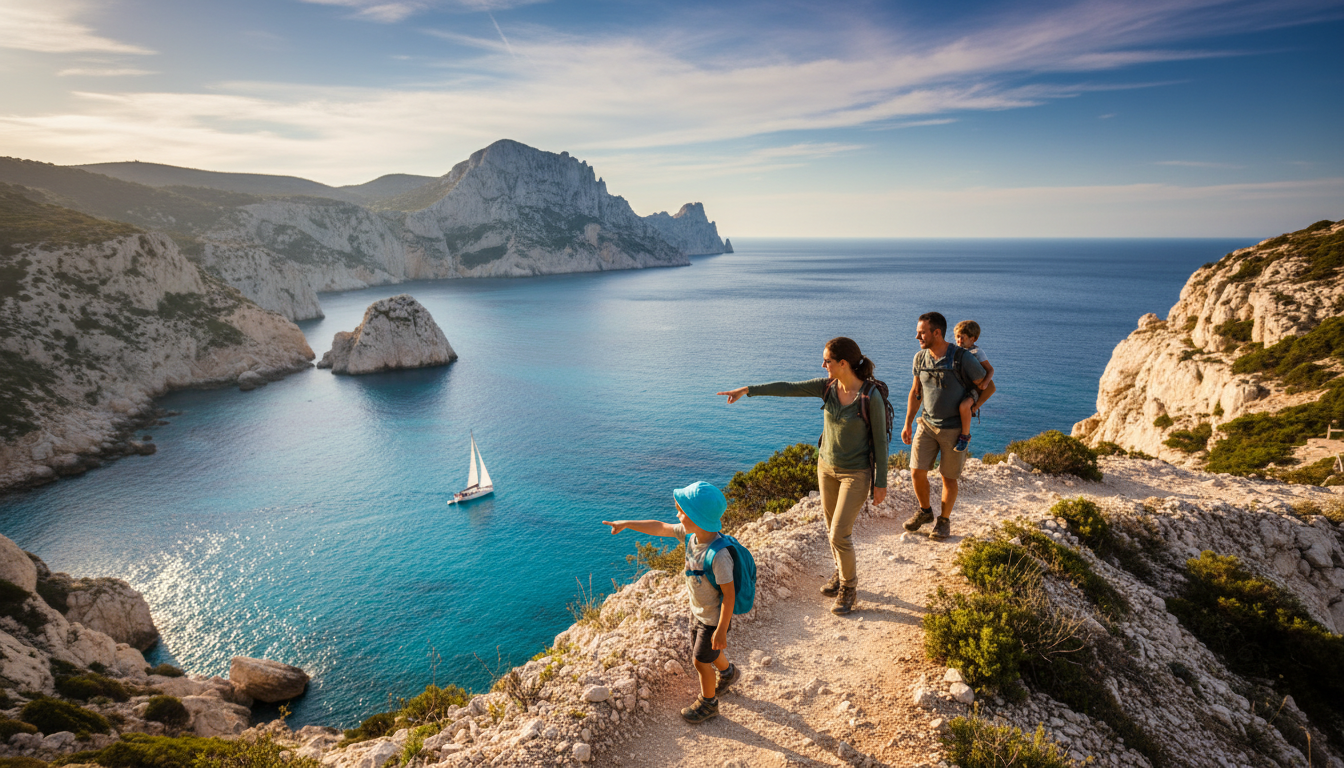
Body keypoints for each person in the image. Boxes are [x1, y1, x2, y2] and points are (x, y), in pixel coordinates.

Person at [716, 337, 888, 615]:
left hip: (855, 474)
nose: (823, 365)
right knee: (832, 530)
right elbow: (788, 388)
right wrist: (748, 390)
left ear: (843, 363)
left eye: (827, 361)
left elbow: (881, 442)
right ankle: (839, 574)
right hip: (826, 468)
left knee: (839, 534)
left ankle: (849, 587)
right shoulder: (828, 387)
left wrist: (881, 483)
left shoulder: (870, 397)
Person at [603, 481, 740, 724]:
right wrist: (626, 524)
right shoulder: (693, 536)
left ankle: (709, 704)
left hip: (713, 619)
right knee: (708, 652)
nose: (677, 515)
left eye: (682, 511)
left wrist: (720, 629)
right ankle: (728, 672)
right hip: (698, 613)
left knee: (699, 660)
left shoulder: (719, 556)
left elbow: (729, 596)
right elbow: (660, 528)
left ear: (697, 518)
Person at [901, 312, 986, 540]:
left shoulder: (962, 358)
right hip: (926, 424)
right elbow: (915, 392)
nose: (917, 336)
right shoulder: (920, 358)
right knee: (917, 472)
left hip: (954, 429)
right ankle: (925, 512)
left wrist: (973, 405)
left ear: (936, 333)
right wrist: (908, 423)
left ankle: (944, 521)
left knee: (948, 478)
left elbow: (988, 386)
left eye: (921, 332)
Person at [952, 320, 997, 453]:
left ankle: (965, 436)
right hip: (964, 386)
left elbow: (990, 370)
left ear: (973, 339)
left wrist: (984, 383)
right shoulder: (957, 351)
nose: (959, 340)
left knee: (965, 406)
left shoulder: (977, 352)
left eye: (963, 337)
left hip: (974, 388)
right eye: (957, 337)